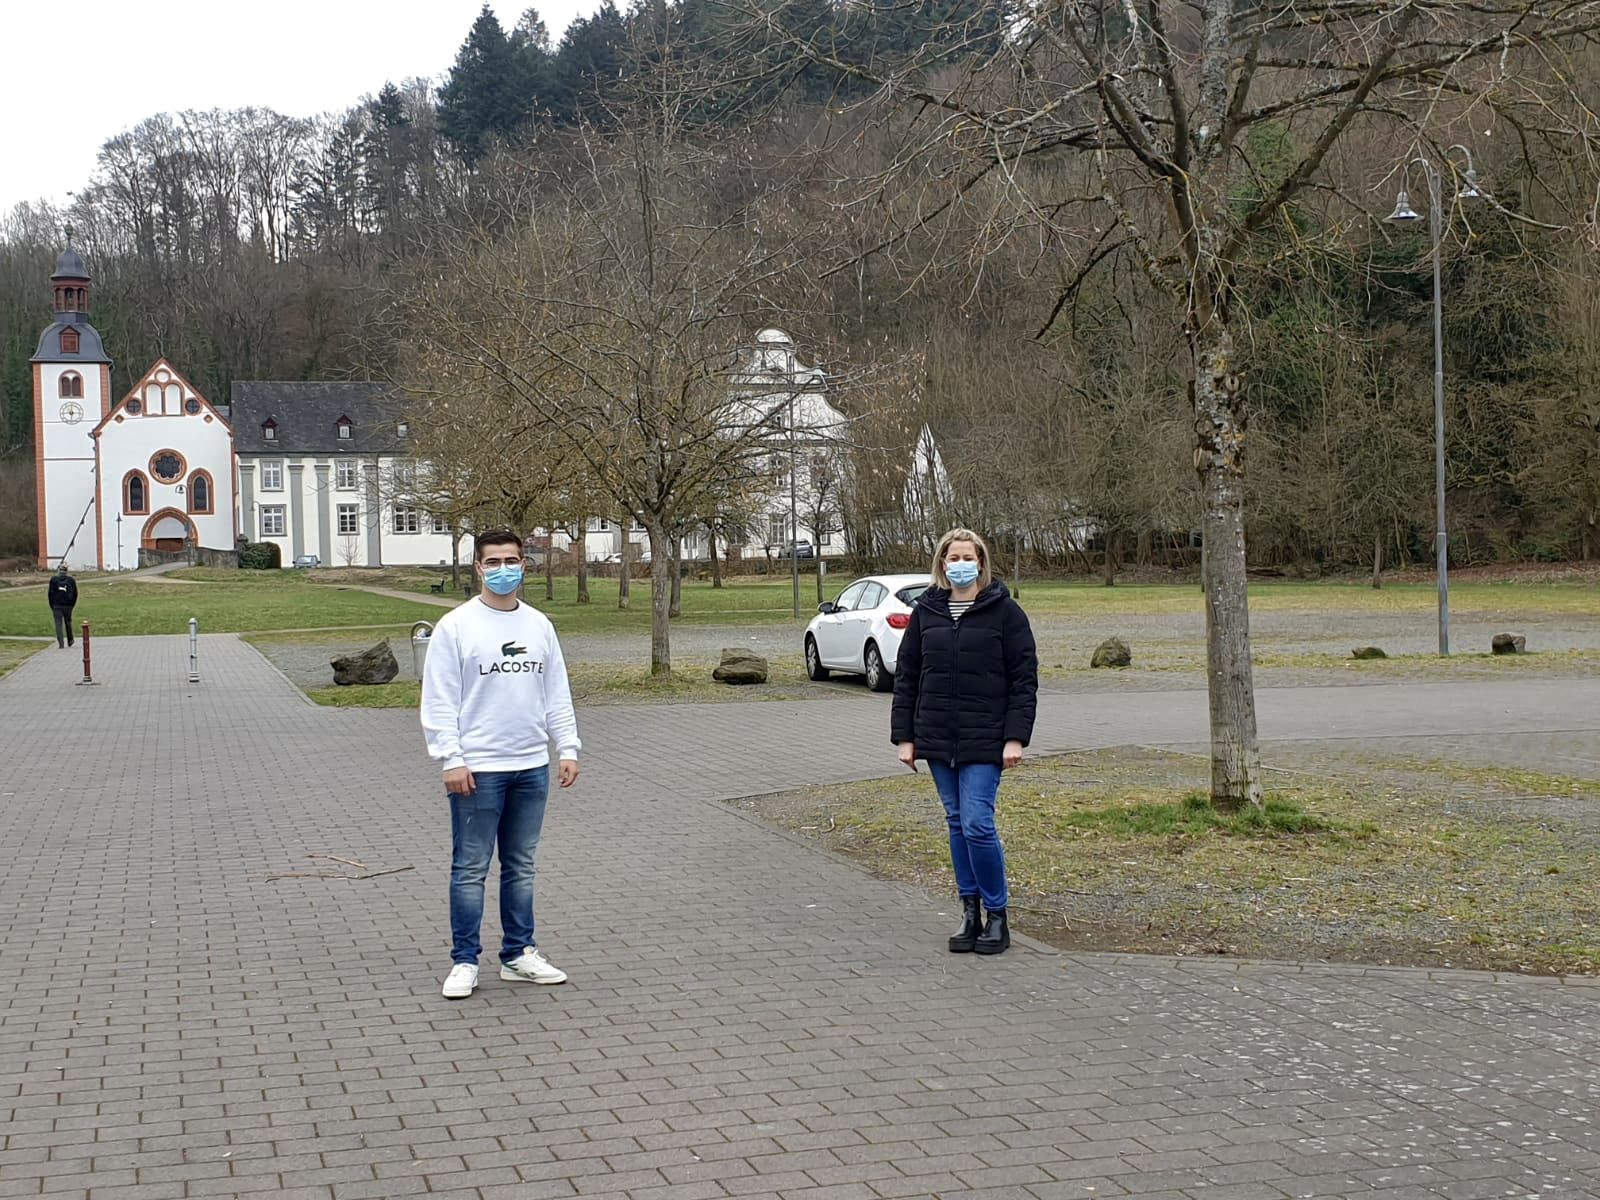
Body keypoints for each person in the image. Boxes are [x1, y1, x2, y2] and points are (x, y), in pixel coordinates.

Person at [421, 529, 581, 1000]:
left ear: (524, 565)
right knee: (470, 867)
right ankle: (465, 960)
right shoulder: (456, 626)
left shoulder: (539, 625)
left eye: (511, 560)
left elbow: (556, 692)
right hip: (477, 769)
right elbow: (439, 698)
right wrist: (451, 758)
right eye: (493, 562)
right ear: (478, 567)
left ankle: (518, 953)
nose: (503, 569)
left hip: (530, 765)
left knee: (521, 865)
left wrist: (567, 747)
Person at [891, 528, 1038, 956]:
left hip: (986, 738)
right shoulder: (926, 613)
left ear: (981, 562)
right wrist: (905, 738)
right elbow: (908, 677)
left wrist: (1015, 737)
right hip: (938, 737)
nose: (960, 565)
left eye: (967, 557)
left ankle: (997, 915)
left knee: (977, 822)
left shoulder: (1005, 613)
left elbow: (1024, 680)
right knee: (956, 822)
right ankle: (969, 911)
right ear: (942, 563)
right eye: (952, 557)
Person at [47, 564, 78, 650]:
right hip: (68, 605)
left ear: (58, 571)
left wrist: (52, 605)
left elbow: (50, 594)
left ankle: (61, 643)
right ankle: (70, 639)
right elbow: (75, 593)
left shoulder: (53, 580)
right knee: (68, 622)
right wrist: (72, 604)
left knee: (58, 624)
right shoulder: (71, 580)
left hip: (57, 605)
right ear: (66, 571)